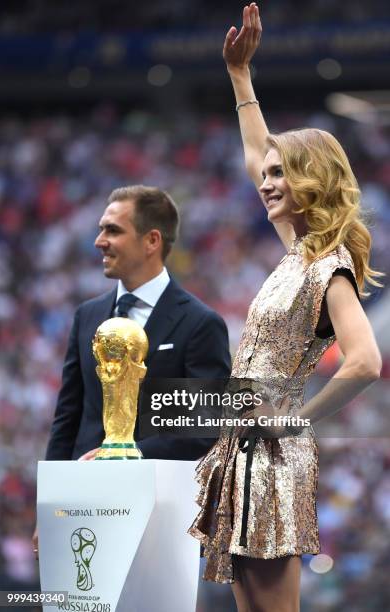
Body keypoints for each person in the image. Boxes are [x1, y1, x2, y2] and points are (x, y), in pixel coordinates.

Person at [188, 4, 382, 612]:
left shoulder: (327, 267)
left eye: (281, 174)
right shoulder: (299, 255)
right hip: (244, 447)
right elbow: (253, 154)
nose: (265, 181)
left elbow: (365, 362)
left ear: (312, 183)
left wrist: (295, 420)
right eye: (267, 174)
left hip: (273, 455)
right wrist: (240, 77)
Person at [33, 184, 231, 555]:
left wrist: (123, 455)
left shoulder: (200, 323)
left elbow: (203, 427)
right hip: (81, 502)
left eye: (113, 230)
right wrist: (49, 507)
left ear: (151, 240)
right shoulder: (87, 316)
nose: (98, 241)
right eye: (101, 229)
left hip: (157, 511)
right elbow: (68, 418)